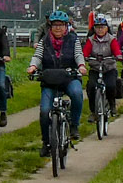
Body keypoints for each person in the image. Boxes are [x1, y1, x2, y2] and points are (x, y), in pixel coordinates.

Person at [26, 10, 86, 154]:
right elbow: (38, 55)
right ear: (50, 26)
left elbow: (78, 54)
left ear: (66, 26)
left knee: (77, 94)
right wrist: (33, 66)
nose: (58, 28)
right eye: (55, 25)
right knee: (45, 111)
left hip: (69, 77)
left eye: (61, 25)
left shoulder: (73, 39)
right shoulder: (44, 40)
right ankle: (46, 143)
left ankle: (74, 125)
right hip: (50, 79)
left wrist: (81, 66)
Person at [80, 15, 122, 113]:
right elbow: (86, 51)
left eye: (102, 27)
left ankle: (112, 104)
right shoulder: (91, 40)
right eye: (97, 27)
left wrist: (118, 56)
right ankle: (93, 112)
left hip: (109, 68)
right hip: (95, 68)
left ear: (107, 28)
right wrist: (84, 57)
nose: (100, 30)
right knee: (91, 87)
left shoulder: (111, 39)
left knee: (111, 85)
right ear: (94, 29)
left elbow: (116, 50)